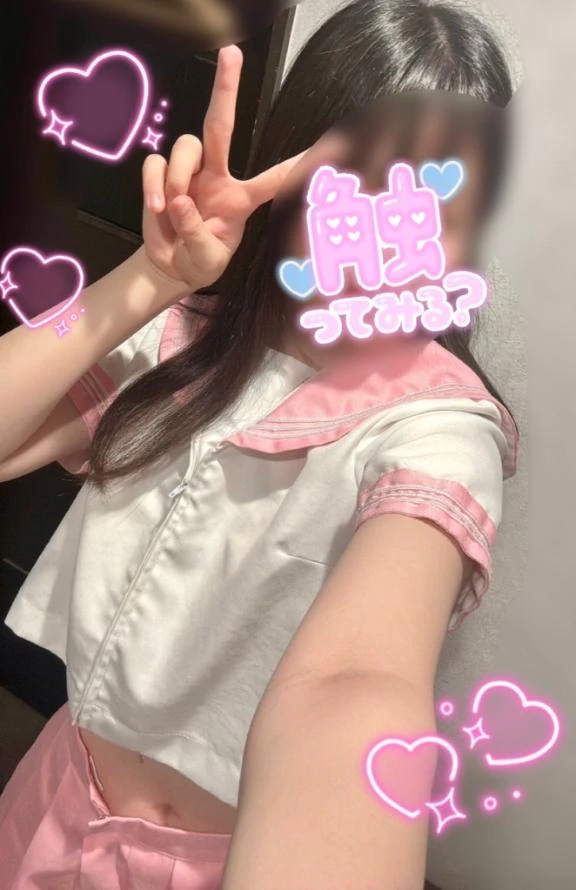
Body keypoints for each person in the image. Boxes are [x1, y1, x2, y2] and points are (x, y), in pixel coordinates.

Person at [0, 1, 518, 888]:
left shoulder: (438, 426)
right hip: (51, 804)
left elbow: (357, 685)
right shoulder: (186, 341)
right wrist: (148, 280)